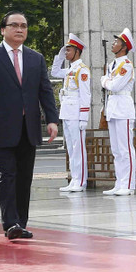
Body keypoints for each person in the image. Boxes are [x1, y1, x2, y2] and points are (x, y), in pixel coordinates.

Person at [0, 10, 59, 241]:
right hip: (0, 129)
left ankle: (21, 222)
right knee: (7, 174)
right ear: (3, 29)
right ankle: (10, 223)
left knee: (24, 178)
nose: (20, 29)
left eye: (24, 25)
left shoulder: (35, 58)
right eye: (14, 25)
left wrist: (52, 119)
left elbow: (45, 91)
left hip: (28, 128)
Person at [50, 33, 91, 192]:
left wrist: (83, 118)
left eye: (68, 50)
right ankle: (75, 179)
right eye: (65, 50)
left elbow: (85, 94)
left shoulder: (82, 70)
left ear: (77, 51)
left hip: (76, 113)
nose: (66, 53)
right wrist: (59, 56)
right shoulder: (69, 70)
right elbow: (54, 72)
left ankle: (80, 181)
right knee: (72, 149)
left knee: (78, 148)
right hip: (67, 112)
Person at [100, 29, 136, 196]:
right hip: (113, 107)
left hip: (123, 107)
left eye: (116, 42)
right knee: (115, 149)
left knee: (125, 148)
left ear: (124, 47)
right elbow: (110, 87)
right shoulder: (112, 65)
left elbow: (115, 86)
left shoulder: (126, 65)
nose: (113, 44)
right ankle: (119, 182)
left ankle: (128, 185)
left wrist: (104, 80)